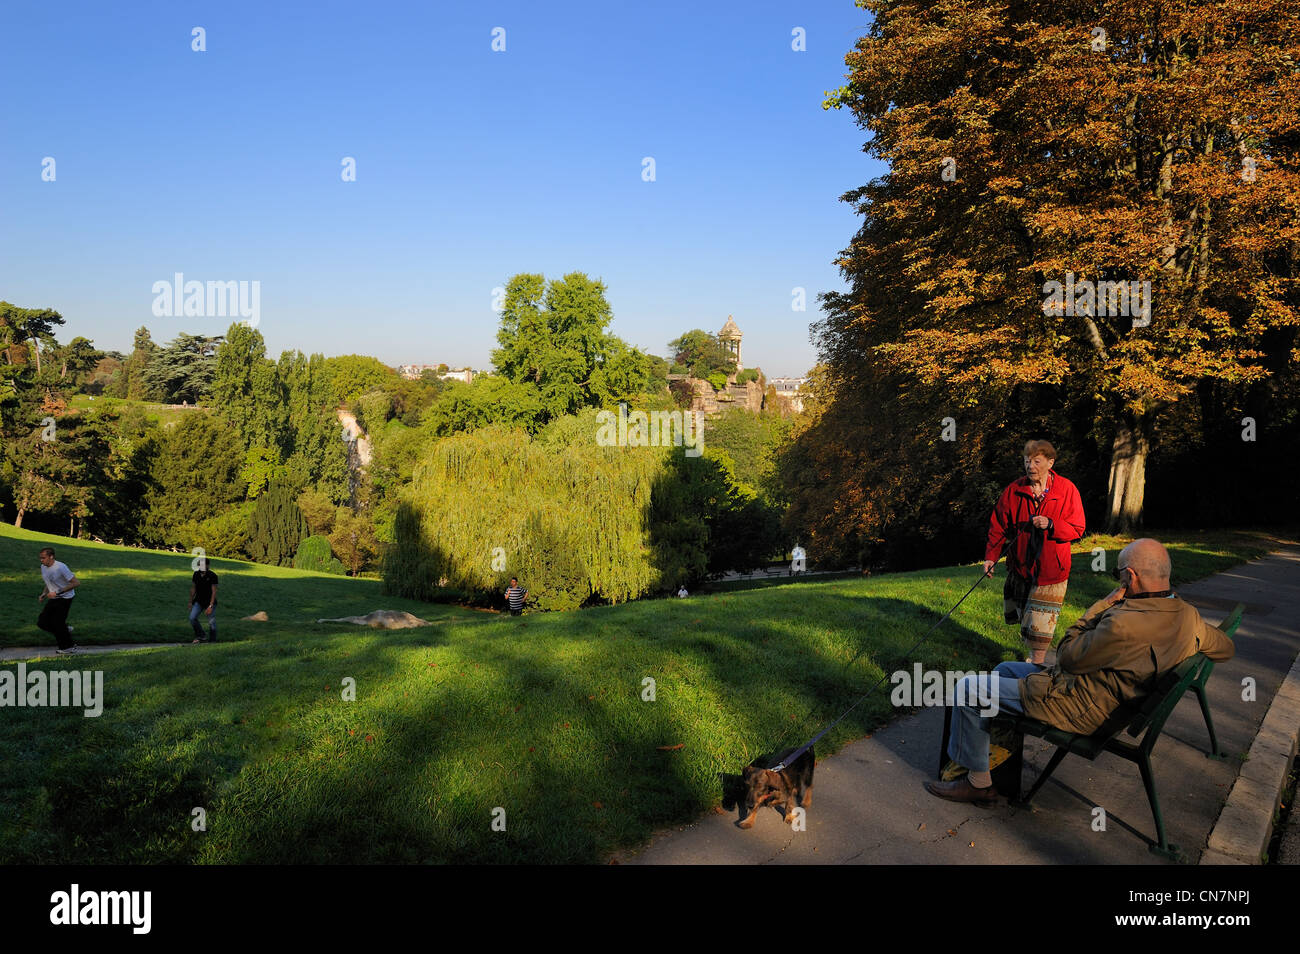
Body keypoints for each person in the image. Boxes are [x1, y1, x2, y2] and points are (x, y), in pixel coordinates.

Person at [926, 538, 1236, 802]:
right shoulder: (1188, 616)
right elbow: (1224, 648)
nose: (1118, 581)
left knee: (967, 689)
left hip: (1080, 707)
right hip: (1107, 700)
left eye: (1119, 575)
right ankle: (993, 758)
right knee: (1007, 668)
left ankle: (977, 784)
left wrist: (1101, 605)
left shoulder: (1123, 623)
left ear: (1130, 576)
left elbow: (1067, 657)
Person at [983, 439, 1086, 665]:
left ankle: (1035, 667)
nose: (1030, 466)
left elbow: (1078, 527)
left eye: (1036, 461)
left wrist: (1052, 524)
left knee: (1039, 626)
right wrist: (991, 557)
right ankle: (1031, 657)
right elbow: (998, 526)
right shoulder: (1014, 490)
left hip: (1051, 570)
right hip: (1020, 566)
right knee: (1025, 620)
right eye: (1027, 461)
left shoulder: (1067, 489)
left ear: (1050, 462)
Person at [37, 547, 81, 655]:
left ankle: (68, 647)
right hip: (54, 597)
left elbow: (76, 583)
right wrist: (44, 593)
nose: (41, 560)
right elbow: (49, 581)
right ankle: (64, 630)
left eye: (43, 558)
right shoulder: (43, 567)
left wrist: (57, 592)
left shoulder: (61, 567)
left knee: (57, 623)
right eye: (40, 558)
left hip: (65, 598)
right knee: (42, 622)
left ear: (51, 556)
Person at [189, 557, 219, 643]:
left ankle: (213, 641)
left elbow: (214, 592)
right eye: (199, 565)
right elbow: (193, 588)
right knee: (192, 618)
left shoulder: (213, 576)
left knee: (211, 621)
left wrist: (210, 606)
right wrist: (190, 602)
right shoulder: (196, 574)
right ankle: (201, 636)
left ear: (207, 565)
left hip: (209, 602)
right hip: (198, 601)